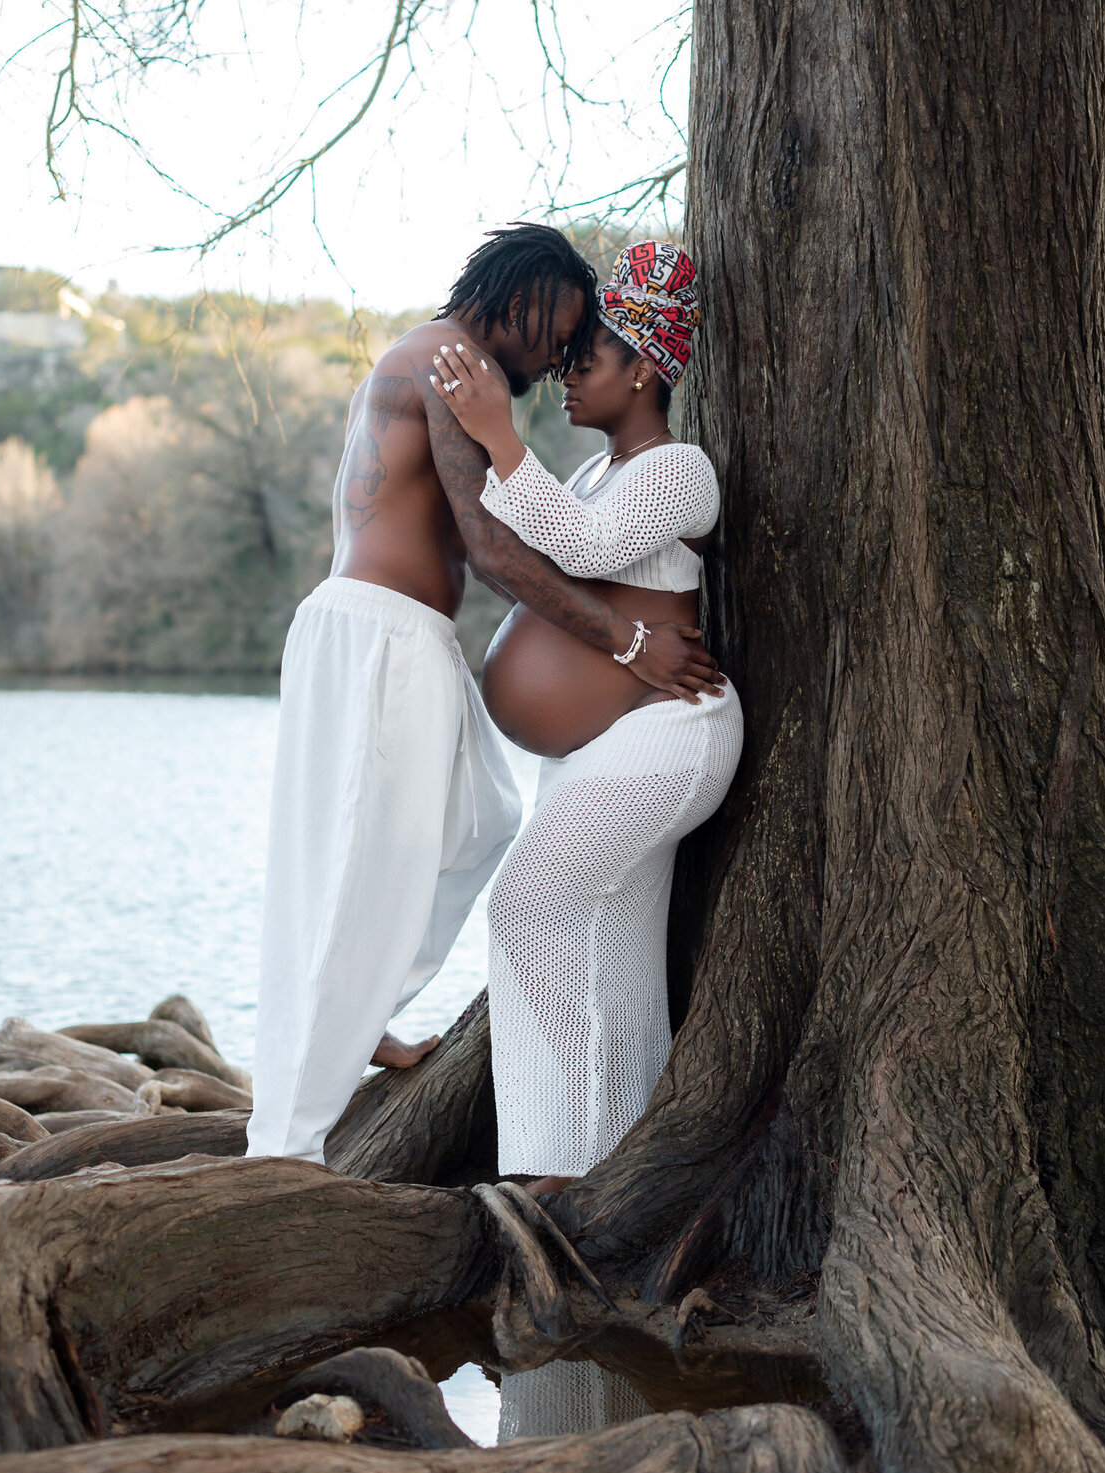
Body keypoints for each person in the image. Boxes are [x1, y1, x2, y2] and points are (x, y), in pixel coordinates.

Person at [246, 225, 725, 1165]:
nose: (559, 358)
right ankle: (287, 1149)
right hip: (384, 637)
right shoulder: (459, 369)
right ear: (527, 295)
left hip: (374, 630)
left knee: (479, 822)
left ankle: (363, 1017)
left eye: (585, 345)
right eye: (561, 331)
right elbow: (502, 548)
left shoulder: (428, 355)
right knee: (360, 868)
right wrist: (629, 642)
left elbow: (536, 531)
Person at [431, 240, 744, 1196]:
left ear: (644, 367)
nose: (565, 379)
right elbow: (532, 540)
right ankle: (593, 1164)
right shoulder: (587, 474)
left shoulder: (680, 470)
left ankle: (557, 1175)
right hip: (601, 743)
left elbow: (589, 546)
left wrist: (502, 436)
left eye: (587, 360)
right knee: (612, 955)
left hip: (671, 734)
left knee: (528, 908)